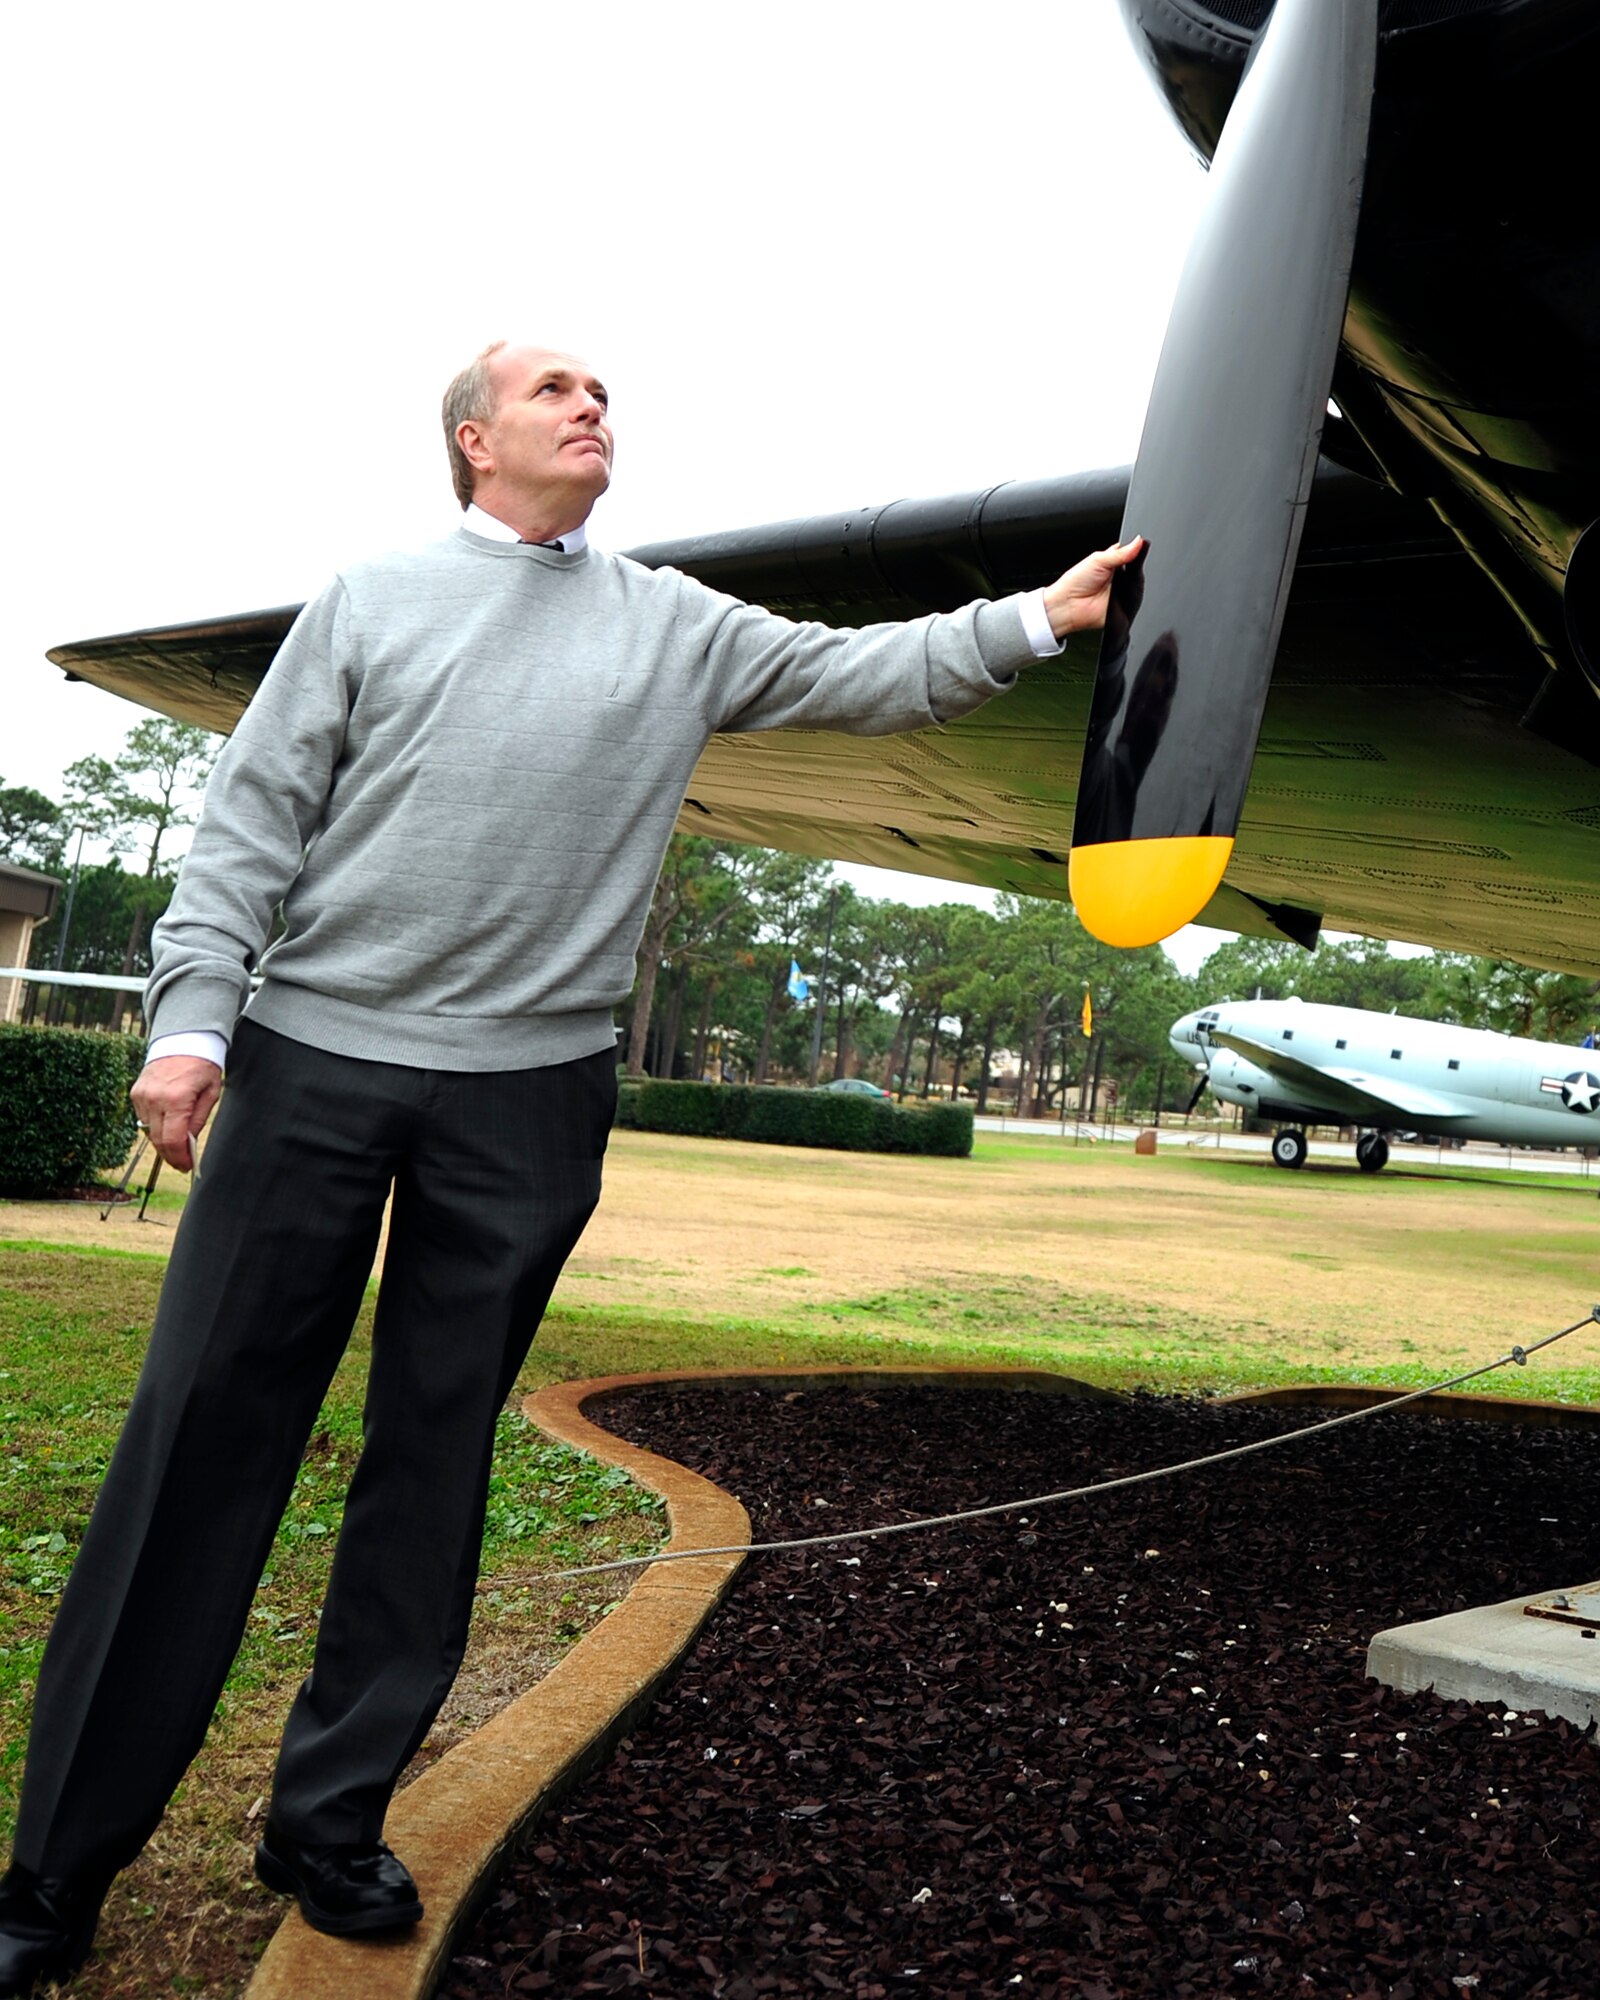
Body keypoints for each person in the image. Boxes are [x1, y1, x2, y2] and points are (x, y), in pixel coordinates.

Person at [0, 339, 1140, 1992]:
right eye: (553, 389)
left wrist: (1046, 615)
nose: (591, 405)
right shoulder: (372, 600)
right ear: (474, 441)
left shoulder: (671, 624)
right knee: (199, 1447)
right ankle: (52, 1873)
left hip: (529, 1099)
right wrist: (192, 1024)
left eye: (602, 391)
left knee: (434, 1457)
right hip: (317, 1065)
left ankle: (329, 1819)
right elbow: (250, 823)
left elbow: (868, 673)